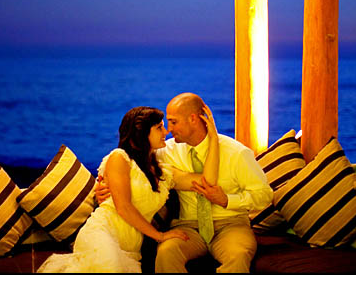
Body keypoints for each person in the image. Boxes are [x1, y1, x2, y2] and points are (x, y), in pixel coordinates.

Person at [96, 93, 273, 273]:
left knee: (238, 256)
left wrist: (227, 200)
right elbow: (132, 165)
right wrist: (103, 186)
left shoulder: (237, 153)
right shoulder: (165, 151)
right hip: (187, 226)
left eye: (173, 122)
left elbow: (265, 196)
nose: (168, 130)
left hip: (231, 224)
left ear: (193, 119)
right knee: (166, 252)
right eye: (164, 125)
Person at [37, 105, 219, 273]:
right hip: (102, 234)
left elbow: (207, 180)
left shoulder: (164, 173)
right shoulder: (120, 158)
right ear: (141, 133)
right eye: (159, 128)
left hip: (130, 249)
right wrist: (160, 235)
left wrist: (214, 138)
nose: (166, 131)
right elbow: (123, 206)